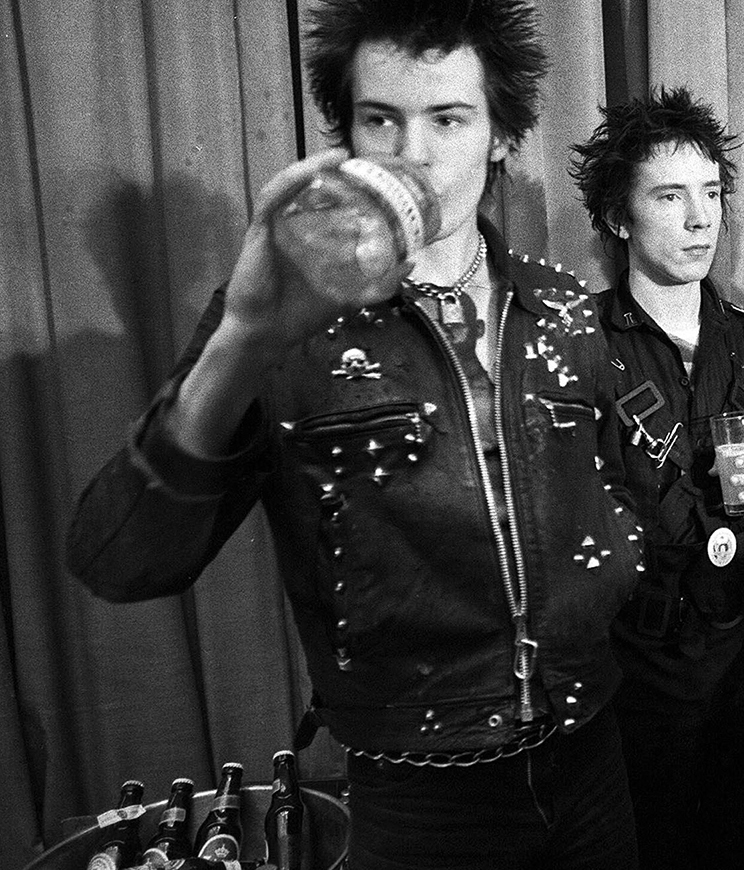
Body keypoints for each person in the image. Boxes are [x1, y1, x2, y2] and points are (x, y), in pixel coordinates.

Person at [65, 1, 645, 867]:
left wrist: (621, 563)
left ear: (499, 135)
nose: (414, 153)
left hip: (593, 757)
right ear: (348, 138)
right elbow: (118, 562)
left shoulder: (560, 303)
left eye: (448, 119)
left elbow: (612, 485)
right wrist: (241, 340)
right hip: (416, 797)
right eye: (382, 120)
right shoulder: (286, 321)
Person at [570, 87, 744, 870]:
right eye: (670, 197)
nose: (701, 219)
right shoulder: (580, 344)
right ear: (619, 217)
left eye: (711, 194)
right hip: (638, 669)